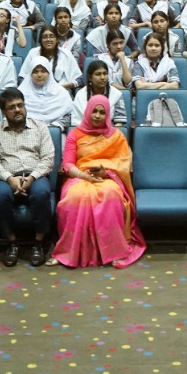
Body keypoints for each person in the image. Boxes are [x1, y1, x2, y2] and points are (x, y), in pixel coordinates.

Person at [52, 96, 145, 268]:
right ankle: (68, 251)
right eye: (94, 111)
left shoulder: (116, 136)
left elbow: (123, 164)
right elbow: (68, 163)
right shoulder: (75, 134)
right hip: (78, 177)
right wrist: (84, 176)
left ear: (108, 114)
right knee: (75, 197)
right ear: (87, 111)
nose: (97, 115)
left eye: (102, 112)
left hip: (108, 178)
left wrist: (106, 173)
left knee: (109, 195)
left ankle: (114, 251)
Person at [0, 87, 56, 267]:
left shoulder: (39, 128)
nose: (17, 110)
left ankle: (39, 243)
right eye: (12, 107)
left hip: (36, 175)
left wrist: (31, 178)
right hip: (6, 178)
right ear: (3, 111)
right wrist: (10, 179)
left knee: (41, 193)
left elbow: (48, 159)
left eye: (20, 105)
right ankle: (11, 243)